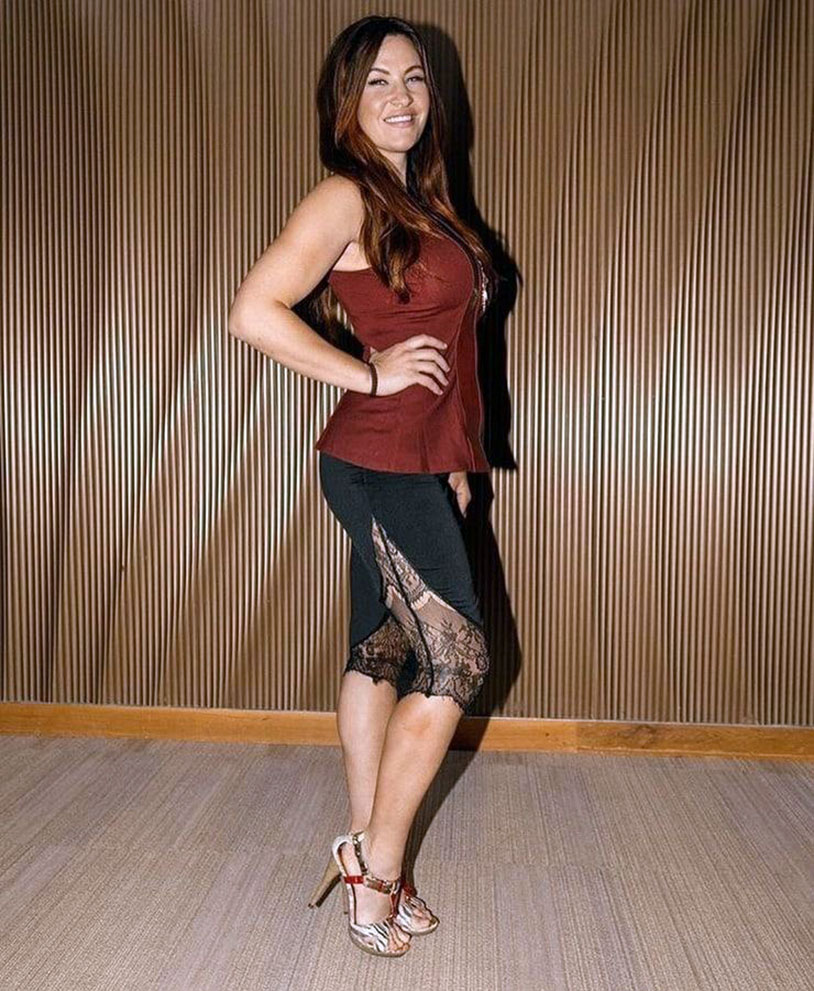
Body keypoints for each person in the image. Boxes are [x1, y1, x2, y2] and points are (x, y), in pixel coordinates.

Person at [228, 15, 496, 958]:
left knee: (383, 648)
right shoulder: (346, 194)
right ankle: (378, 866)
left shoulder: (425, 201)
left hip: (419, 456)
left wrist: (457, 457)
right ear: (346, 100)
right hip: (374, 456)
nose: (401, 95)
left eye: (414, 78)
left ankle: (359, 842)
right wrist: (367, 375)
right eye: (377, 80)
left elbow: (454, 351)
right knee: (457, 660)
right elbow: (253, 310)